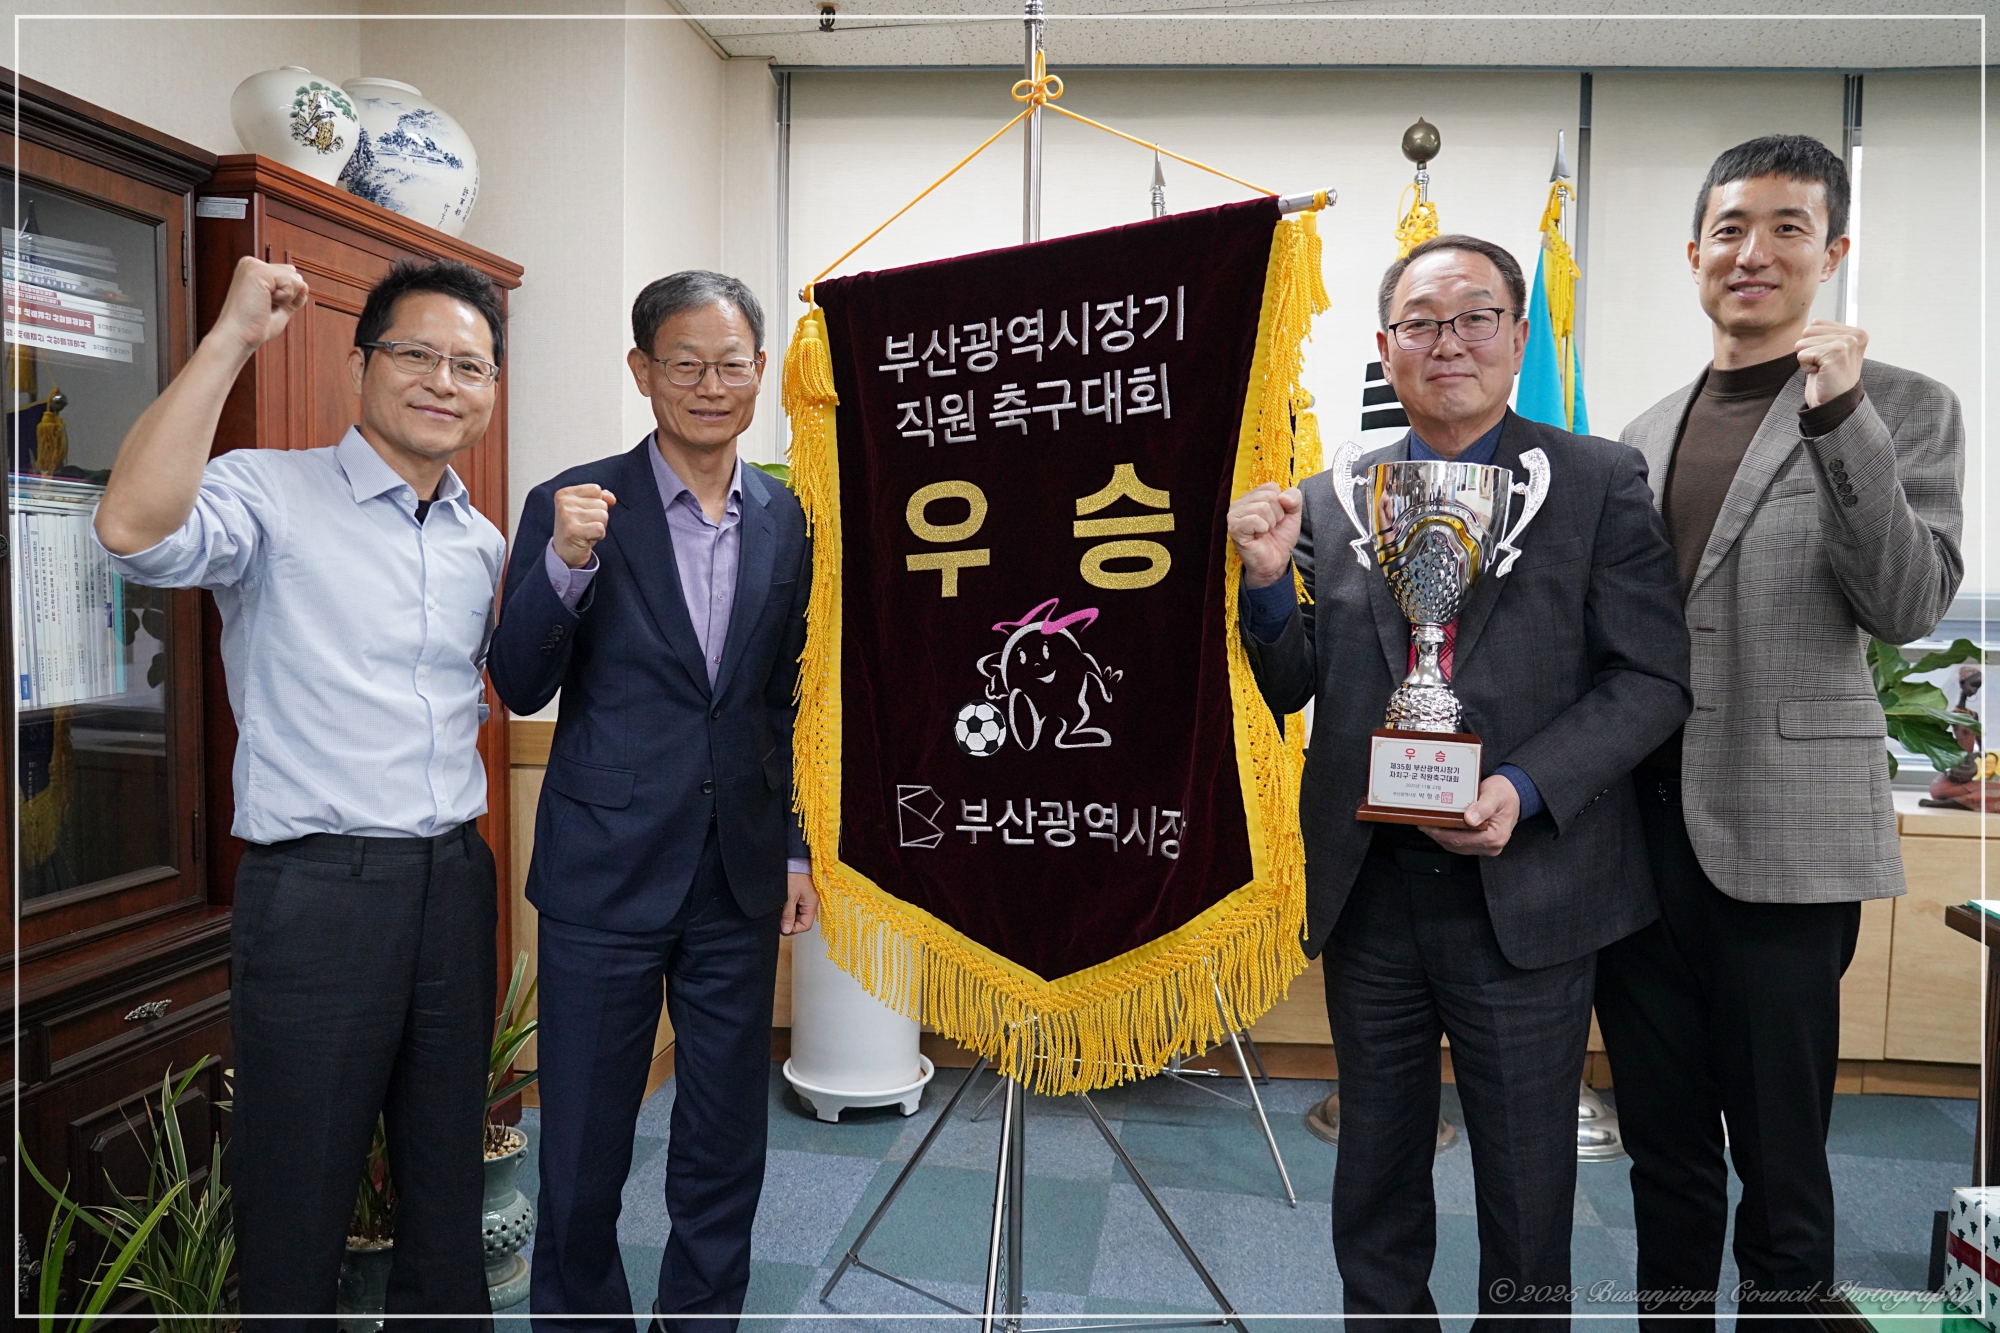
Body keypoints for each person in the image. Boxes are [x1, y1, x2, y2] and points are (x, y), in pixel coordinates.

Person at [1227, 234, 1690, 1331]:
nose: (1450, 342)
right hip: (1370, 892)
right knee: (1373, 1175)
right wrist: (1260, 583)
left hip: (1523, 891)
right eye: (1422, 323)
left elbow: (1651, 678)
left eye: (1474, 316)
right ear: (1384, 347)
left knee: (1527, 1188)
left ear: (1517, 336)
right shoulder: (1331, 496)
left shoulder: (1592, 481)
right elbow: (1293, 685)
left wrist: (1523, 789)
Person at [93, 255, 509, 1326]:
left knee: (445, 1180)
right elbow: (131, 531)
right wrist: (230, 336)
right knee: (297, 1187)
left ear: (491, 389)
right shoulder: (266, 492)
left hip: (455, 879)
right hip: (322, 889)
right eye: (415, 353)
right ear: (361, 362)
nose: (441, 379)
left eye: (469, 363)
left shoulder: (480, 538)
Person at [1596, 134, 1964, 1331]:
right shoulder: (1643, 430)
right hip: (1635, 845)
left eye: (1786, 228)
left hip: (1782, 843)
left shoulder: (1900, 407)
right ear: (1692, 250)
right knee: (1661, 1152)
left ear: (1832, 252)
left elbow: (1905, 606)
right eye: (1728, 228)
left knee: (1781, 1162)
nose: (1751, 252)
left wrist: (1839, 410)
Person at [489, 271, 814, 1331]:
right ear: (642, 372)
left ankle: (699, 1317)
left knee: (725, 1139)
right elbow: (520, 681)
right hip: (603, 875)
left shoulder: (787, 517)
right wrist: (564, 564)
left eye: (730, 364)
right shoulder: (575, 502)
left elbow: (782, 699)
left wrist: (799, 850)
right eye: (685, 364)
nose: (709, 385)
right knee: (583, 1143)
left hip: (737, 876)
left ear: (760, 372)